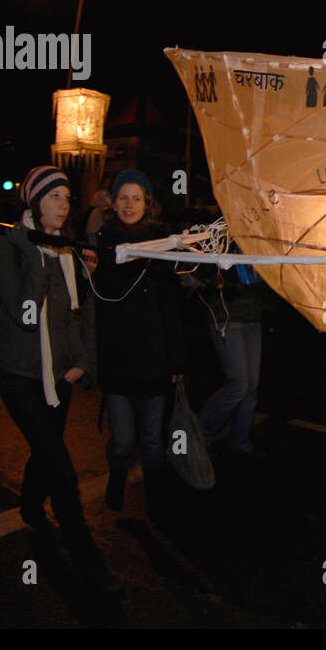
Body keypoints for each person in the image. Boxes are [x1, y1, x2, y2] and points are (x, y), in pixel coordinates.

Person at [0, 165, 120, 593]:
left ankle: (29, 505)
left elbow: (83, 316)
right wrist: (39, 256)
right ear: (33, 203)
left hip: (59, 373)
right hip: (19, 375)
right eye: (53, 197)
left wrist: (83, 361)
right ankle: (91, 566)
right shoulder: (8, 246)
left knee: (45, 452)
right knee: (60, 467)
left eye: (66, 197)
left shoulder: (69, 251)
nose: (64, 205)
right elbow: (24, 313)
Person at [92, 169, 186, 515]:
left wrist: (176, 363)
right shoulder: (101, 243)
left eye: (136, 198)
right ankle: (117, 476)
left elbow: (170, 309)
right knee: (122, 440)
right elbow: (96, 304)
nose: (129, 204)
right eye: (122, 197)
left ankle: (155, 497)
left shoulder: (162, 244)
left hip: (154, 359)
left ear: (147, 203)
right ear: (113, 203)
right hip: (117, 359)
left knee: (151, 440)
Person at [196, 243, 276, 460]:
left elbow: (267, 284)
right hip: (227, 320)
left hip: (253, 318)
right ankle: (201, 434)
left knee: (250, 387)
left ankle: (240, 440)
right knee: (238, 385)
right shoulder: (221, 242)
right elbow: (207, 278)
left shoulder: (258, 242)